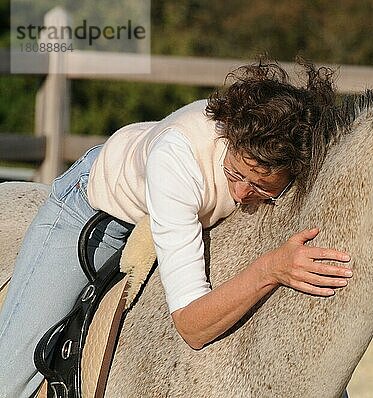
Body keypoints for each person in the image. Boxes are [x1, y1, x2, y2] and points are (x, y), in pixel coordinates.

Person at [0, 60, 353, 398]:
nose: (244, 194)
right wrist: (271, 269)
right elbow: (191, 325)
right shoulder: (177, 159)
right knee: (8, 382)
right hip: (96, 210)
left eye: (262, 188)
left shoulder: (286, 161)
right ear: (229, 137)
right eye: (236, 174)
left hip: (171, 198)